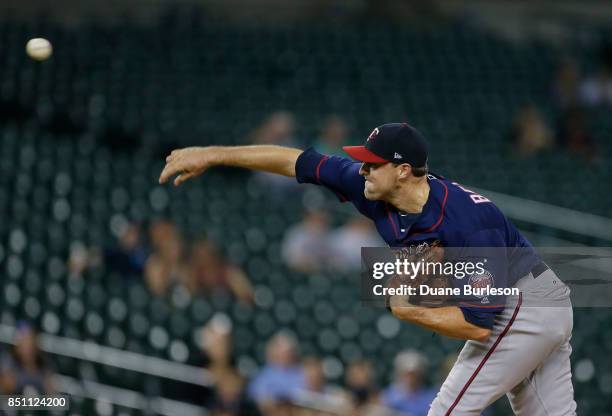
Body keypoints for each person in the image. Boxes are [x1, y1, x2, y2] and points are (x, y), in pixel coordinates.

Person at [159, 122, 576, 415]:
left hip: (527, 302)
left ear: (403, 171)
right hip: (535, 303)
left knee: (447, 411)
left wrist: (409, 309)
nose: (362, 169)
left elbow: (480, 325)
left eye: (373, 163)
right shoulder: (371, 188)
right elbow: (296, 162)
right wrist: (214, 154)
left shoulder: (466, 222)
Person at [380, 350, 437, 416]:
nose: (410, 378)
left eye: (413, 374)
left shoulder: (430, 396)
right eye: (406, 373)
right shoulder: (389, 395)